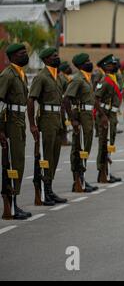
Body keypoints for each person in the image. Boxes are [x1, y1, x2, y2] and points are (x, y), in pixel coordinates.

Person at [27, 47, 67, 205]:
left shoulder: (56, 76)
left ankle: (49, 188)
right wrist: (32, 125)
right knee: (46, 155)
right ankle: (43, 190)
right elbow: (31, 100)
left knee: (55, 155)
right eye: (54, 55)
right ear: (46, 59)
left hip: (56, 118)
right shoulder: (41, 77)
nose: (57, 57)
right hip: (46, 119)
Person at [0, 43, 32, 220]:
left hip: (19, 121)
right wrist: (1, 130)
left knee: (18, 161)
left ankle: (14, 202)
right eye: (21, 53)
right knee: (11, 163)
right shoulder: (7, 75)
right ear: (12, 57)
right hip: (10, 122)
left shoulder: (20, 74)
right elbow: (0, 103)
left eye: (25, 52)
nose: (25, 55)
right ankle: (9, 204)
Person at [64, 53, 99, 193]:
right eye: (87, 61)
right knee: (79, 148)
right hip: (81, 116)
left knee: (86, 147)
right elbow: (66, 99)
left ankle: (82, 178)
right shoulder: (78, 79)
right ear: (80, 65)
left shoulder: (86, 78)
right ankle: (77, 180)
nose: (90, 63)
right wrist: (73, 119)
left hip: (88, 116)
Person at [94, 54, 122, 183]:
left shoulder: (113, 78)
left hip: (112, 115)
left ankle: (108, 171)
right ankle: (102, 172)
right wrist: (103, 115)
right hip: (106, 115)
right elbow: (96, 99)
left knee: (110, 144)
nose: (115, 65)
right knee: (104, 144)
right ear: (106, 67)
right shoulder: (105, 81)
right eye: (112, 64)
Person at [58, 61, 73, 146]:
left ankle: (64, 139)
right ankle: (63, 140)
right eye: (68, 67)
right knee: (63, 122)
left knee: (64, 122)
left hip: (64, 103)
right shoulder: (62, 78)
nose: (69, 69)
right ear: (64, 70)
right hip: (62, 103)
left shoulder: (65, 77)